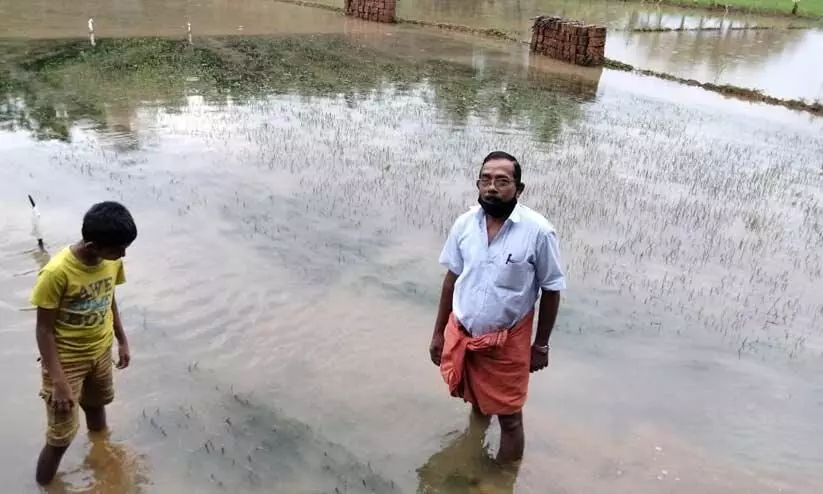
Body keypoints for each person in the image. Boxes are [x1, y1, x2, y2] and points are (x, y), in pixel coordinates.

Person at [429, 151, 565, 463]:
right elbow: (452, 278)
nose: (492, 187)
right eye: (486, 180)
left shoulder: (538, 231)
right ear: (477, 184)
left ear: (519, 189)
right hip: (464, 333)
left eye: (502, 181)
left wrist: (540, 345)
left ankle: (501, 479)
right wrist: (438, 333)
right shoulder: (464, 224)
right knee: (476, 400)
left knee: (511, 417)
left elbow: (552, 289)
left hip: (508, 341)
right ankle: (472, 450)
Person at [30, 201, 138, 485]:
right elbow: (43, 330)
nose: (123, 255)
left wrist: (122, 339)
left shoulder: (111, 262)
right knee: (60, 438)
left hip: (100, 352)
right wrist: (59, 381)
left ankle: (101, 462)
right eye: (118, 249)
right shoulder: (56, 274)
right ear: (92, 245)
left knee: (97, 407)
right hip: (65, 363)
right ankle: (45, 486)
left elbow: (109, 299)